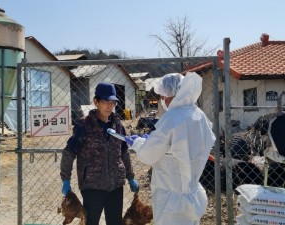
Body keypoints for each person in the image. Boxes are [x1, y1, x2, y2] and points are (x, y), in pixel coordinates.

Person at [126, 72, 216, 225]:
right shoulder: (199, 115)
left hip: (172, 201)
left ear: (171, 94)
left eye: (163, 96)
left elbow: (149, 155)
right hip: (193, 194)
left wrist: (138, 142)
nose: (162, 100)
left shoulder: (171, 118)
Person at [60, 82, 140, 225]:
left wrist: (130, 176)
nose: (110, 106)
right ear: (96, 102)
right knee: (91, 221)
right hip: (92, 185)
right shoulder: (84, 126)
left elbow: (124, 152)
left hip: (115, 185)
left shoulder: (118, 125)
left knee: (115, 222)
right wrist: (65, 180)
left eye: (113, 102)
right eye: (105, 101)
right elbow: (69, 152)